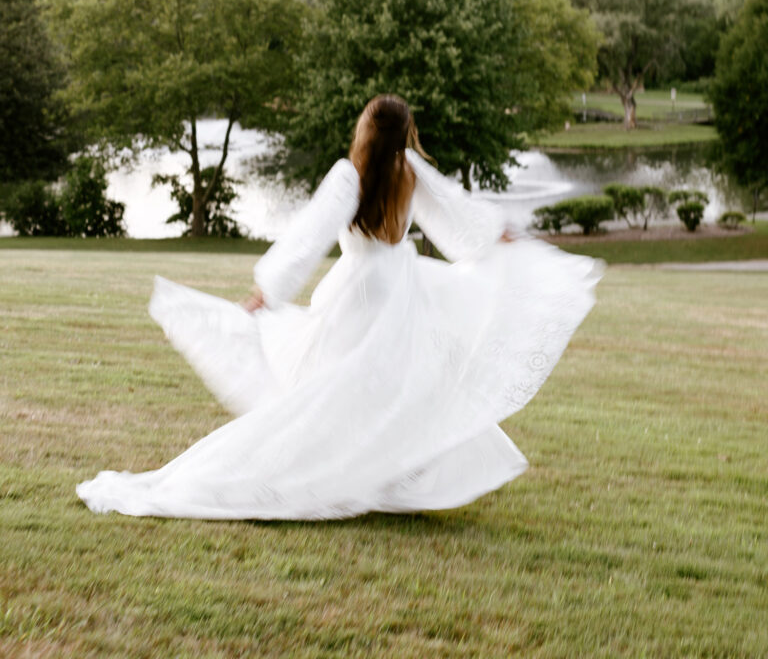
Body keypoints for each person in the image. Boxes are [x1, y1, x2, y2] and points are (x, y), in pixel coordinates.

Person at [77, 95, 601, 520]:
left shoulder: (349, 175)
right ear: (406, 134)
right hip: (401, 287)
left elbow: (309, 236)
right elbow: (461, 217)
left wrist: (268, 291)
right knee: (396, 386)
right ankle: (377, 470)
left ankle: (347, 470)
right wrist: (503, 235)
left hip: (362, 289)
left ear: (366, 129)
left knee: (339, 388)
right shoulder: (412, 170)